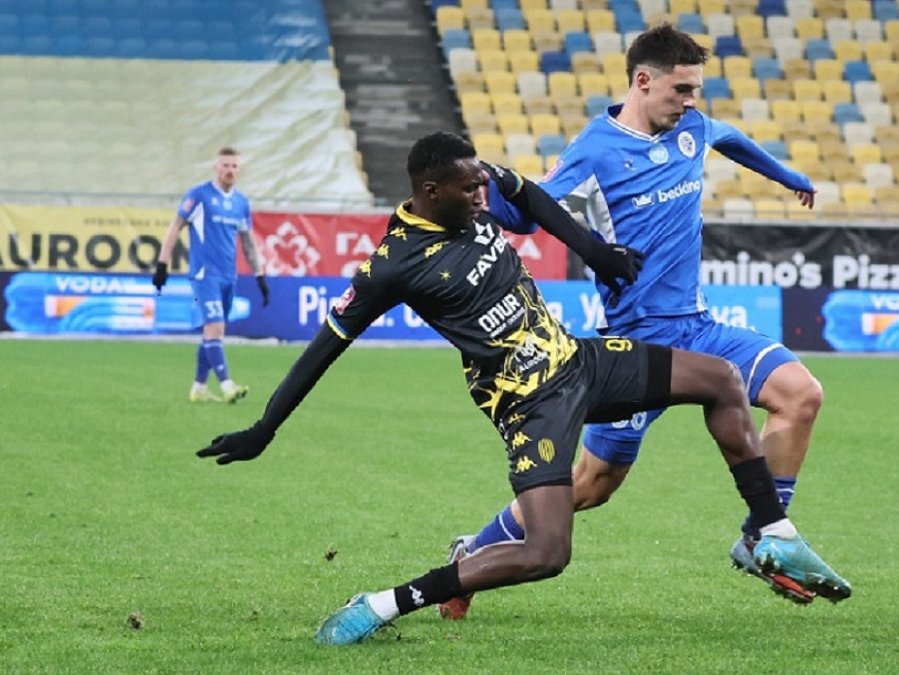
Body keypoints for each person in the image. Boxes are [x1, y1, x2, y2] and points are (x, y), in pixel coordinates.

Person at [195, 131, 848, 646]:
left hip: (578, 361)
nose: (485, 195)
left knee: (720, 379)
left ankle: (768, 530)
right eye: (471, 189)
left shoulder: (471, 184)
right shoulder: (392, 266)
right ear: (430, 192)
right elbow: (324, 347)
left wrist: (595, 251)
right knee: (547, 552)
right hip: (529, 404)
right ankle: (384, 603)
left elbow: (529, 196)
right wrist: (265, 427)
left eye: (483, 183)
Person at [450, 23, 842, 615]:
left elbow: (731, 139)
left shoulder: (692, 129)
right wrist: (484, 187)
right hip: (636, 347)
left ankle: (761, 536)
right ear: (642, 80)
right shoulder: (594, 151)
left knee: (801, 394)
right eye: (681, 89)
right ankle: (471, 555)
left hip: (700, 328)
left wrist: (789, 178)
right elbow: (531, 213)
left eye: (695, 90)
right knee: (591, 485)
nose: (691, 102)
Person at [153, 146, 270, 403]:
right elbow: (176, 226)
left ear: (240, 169)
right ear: (216, 167)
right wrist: (162, 264)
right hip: (204, 275)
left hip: (229, 276)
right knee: (216, 327)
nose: (229, 170)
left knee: (213, 331)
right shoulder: (200, 195)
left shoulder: (241, 203)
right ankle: (227, 385)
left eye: (234, 166)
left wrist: (260, 275)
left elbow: (248, 242)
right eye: (225, 165)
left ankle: (199, 387)